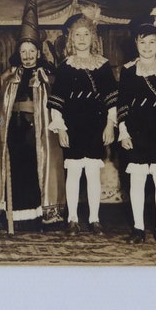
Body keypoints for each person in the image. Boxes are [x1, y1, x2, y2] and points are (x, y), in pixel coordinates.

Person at [0, 0, 65, 232]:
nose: (27, 56)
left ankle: (40, 214)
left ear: (38, 52)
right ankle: (17, 215)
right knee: (18, 172)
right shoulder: (9, 76)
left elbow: (53, 102)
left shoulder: (47, 75)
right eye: (23, 52)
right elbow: (1, 105)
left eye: (31, 51)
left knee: (38, 171)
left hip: (39, 132)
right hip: (14, 131)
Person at [48, 12, 118, 235]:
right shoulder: (65, 67)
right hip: (73, 126)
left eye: (86, 34)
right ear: (70, 39)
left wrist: (109, 124)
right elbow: (56, 102)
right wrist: (60, 128)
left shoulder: (104, 66)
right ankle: (72, 219)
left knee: (92, 173)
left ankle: (95, 218)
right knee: (75, 172)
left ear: (93, 38)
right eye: (77, 35)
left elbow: (111, 99)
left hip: (96, 125)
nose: (81, 38)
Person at [117, 8, 156, 245]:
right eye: (143, 42)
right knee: (138, 181)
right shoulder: (128, 70)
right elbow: (122, 103)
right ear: (136, 43)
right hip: (136, 131)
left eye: (152, 42)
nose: (148, 47)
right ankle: (138, 228)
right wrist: (123, 132)